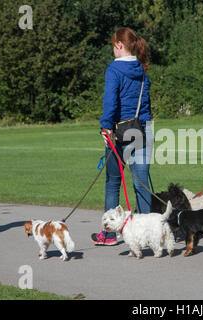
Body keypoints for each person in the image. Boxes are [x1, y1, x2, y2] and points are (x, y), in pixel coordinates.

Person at [91, 28, 154, 246]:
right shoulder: (142, 69)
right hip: (143, 127)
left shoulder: (114, 69)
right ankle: (148, 232)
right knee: (142, 183)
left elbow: (110, 101)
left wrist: (105, 126)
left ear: (119, 44)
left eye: (113, 45)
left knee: (113, 183)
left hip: (118, 131)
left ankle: (108, 234)